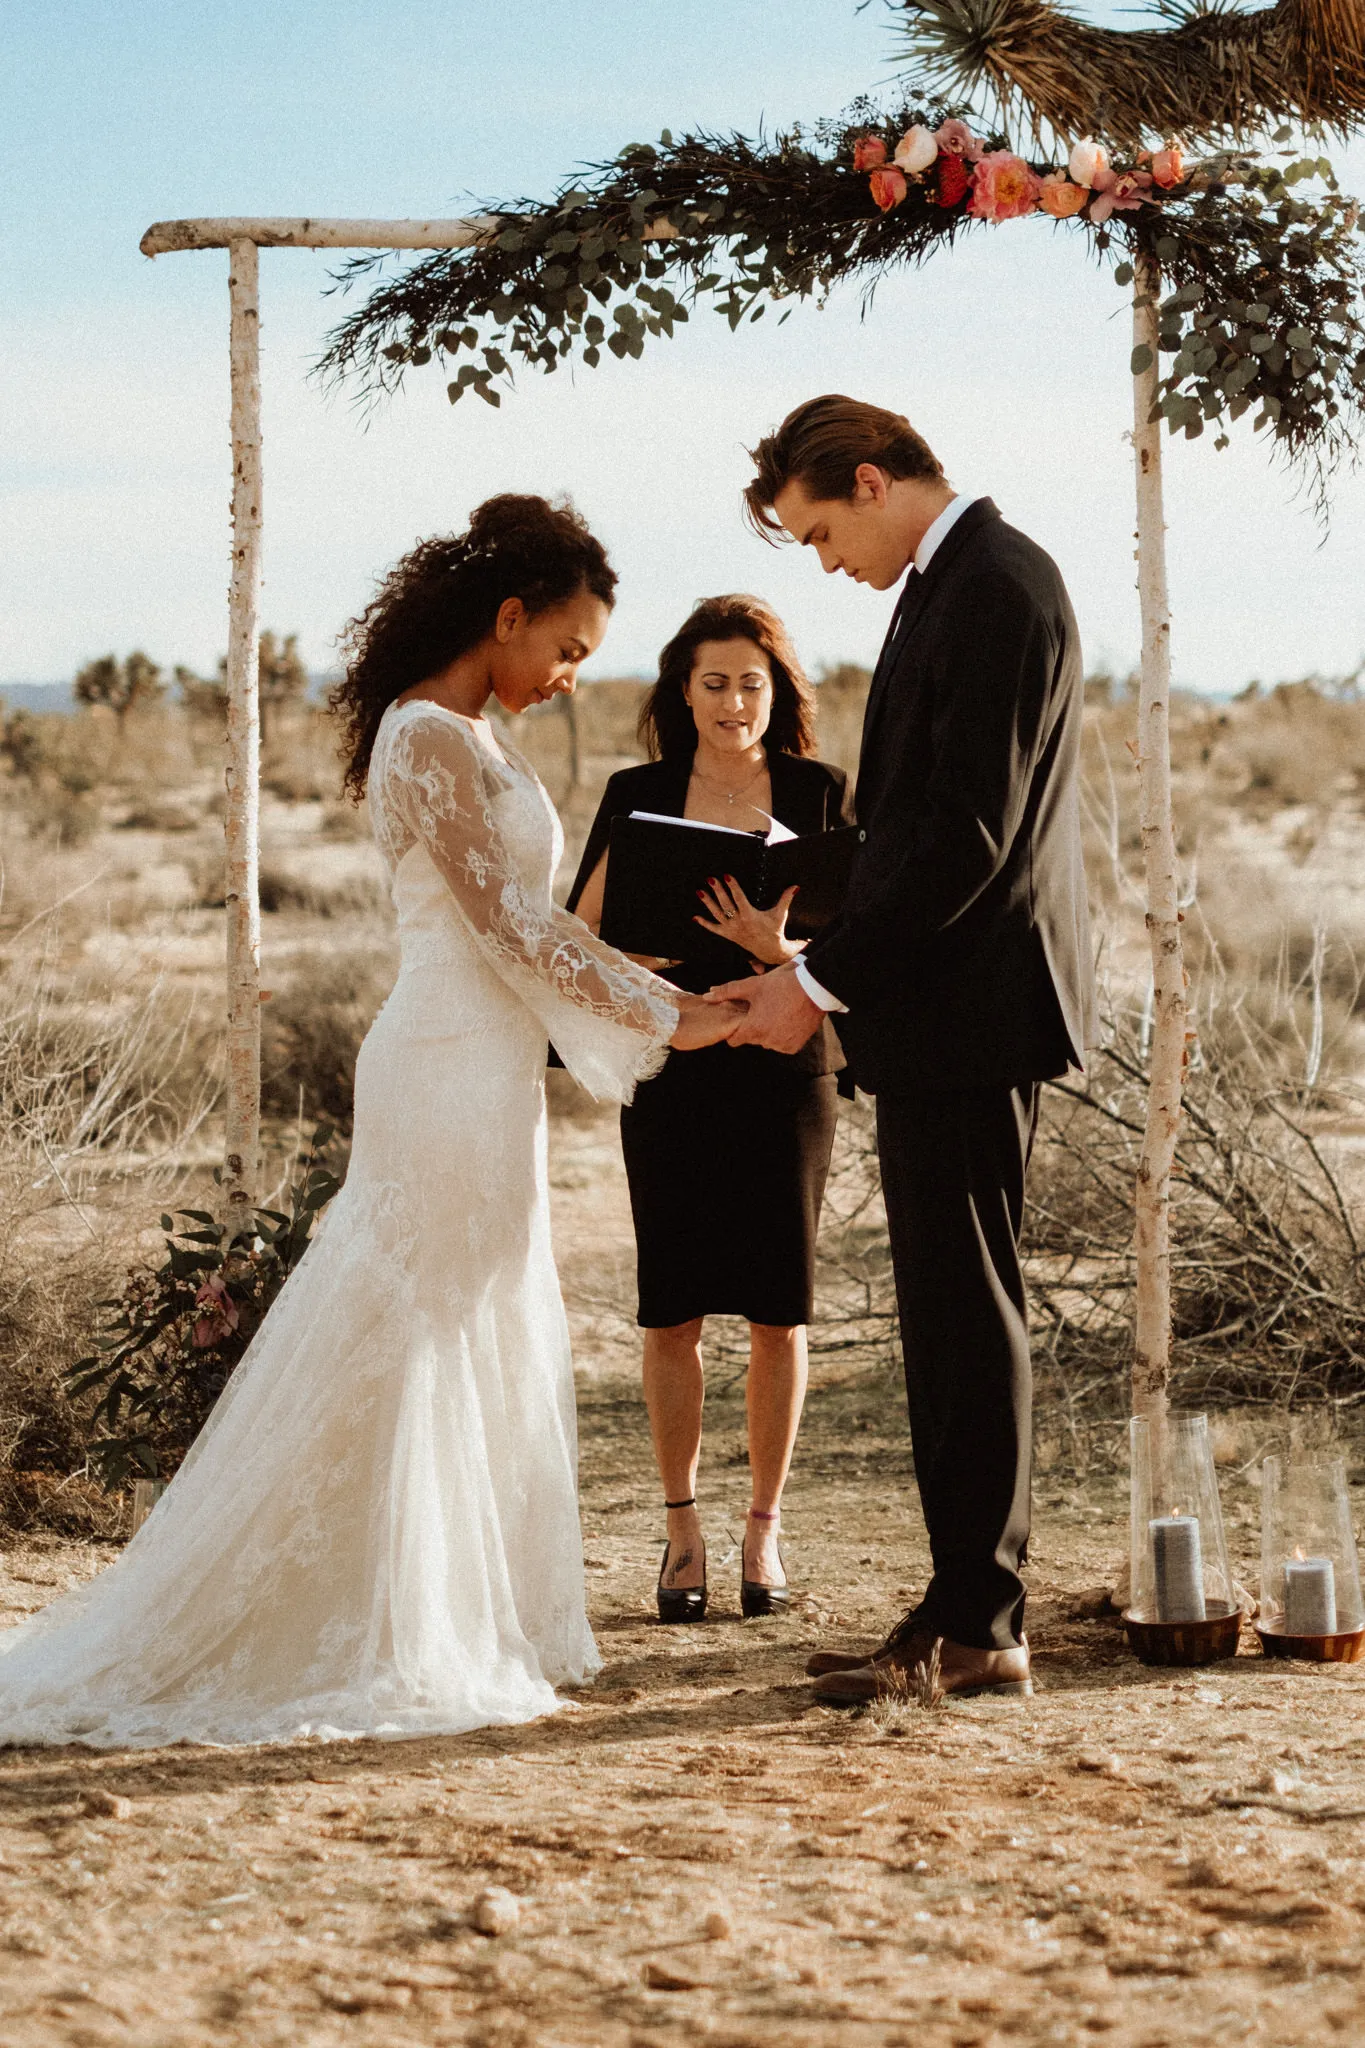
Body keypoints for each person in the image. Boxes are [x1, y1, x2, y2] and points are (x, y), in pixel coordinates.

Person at [0, 494, 741, 1748]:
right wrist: (680, 1014)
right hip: (444, 1065)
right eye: (563, 646)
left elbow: (532, 927)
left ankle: (447, 1604)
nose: (568, 677)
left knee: (471, 1315)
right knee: (416, 1327)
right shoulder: (430, 739)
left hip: (489, 1071)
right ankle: (380, 1620)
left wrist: (660, 989)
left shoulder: (470, 733)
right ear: (506, 618)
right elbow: (510, 930)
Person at [708, 397, 1098, 1701]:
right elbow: (916, 826)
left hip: (974, 1014)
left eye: (820, 532)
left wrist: (811, 984)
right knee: (940, 1318)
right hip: (942, 1012)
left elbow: (968, 842)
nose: (822, 563)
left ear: (870, 481)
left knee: (966, 1316)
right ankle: (953, 1607)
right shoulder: (956, 585)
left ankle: (982, 1624)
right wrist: (792, 884)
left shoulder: (995, 586)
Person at [568, 595, 852, 1623]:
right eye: (714, 681)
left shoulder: (819, 791)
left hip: (785, 1068)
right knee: (672, 1308)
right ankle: (682, 1526)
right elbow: (581, 936)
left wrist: (776, 953)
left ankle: (763, 1533)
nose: (734, 701)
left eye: (752, 682)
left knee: (780, 1312)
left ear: (778, 694)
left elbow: (860, 942)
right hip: (673, 1065)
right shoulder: (637, 793)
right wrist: (665, 987)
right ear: (681, 691)